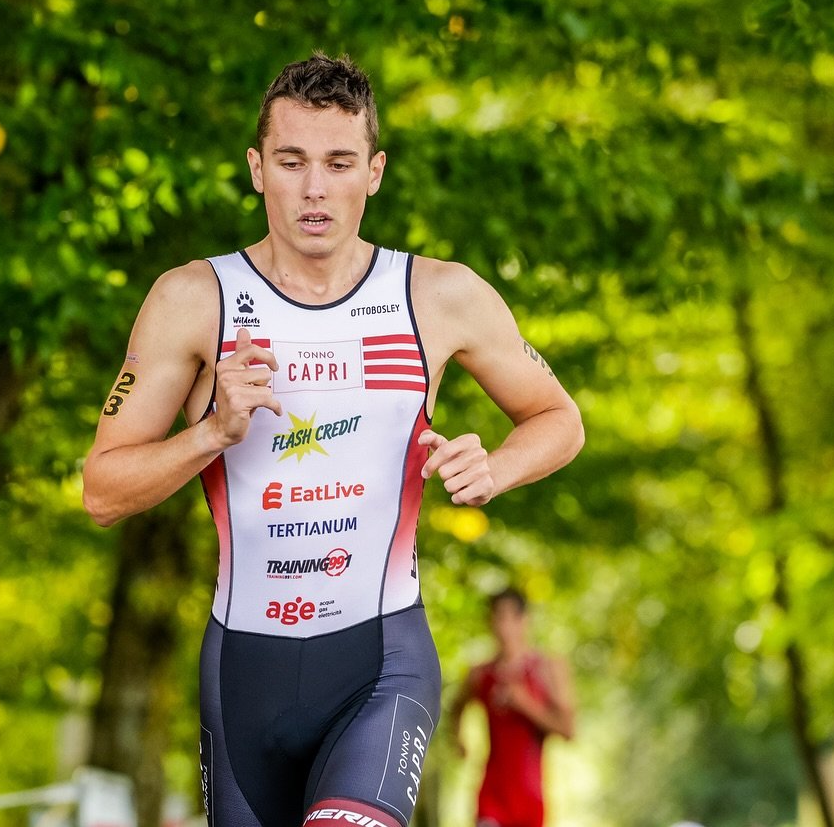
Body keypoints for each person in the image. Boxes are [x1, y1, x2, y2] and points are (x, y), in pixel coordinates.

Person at [82, 53, 584, 827]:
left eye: (339, 162)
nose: (315, 188)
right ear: (257, 168)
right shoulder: (194, 300)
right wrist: (211, 431)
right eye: (292, 161)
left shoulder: (438, 296)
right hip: (243, 673)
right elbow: (102, 490)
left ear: (374, 171)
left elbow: (560, 419)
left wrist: (497, 467)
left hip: (381, 664)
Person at [448, 589, 576, 827]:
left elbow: (568, 730)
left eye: (509, 617)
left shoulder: (547, 669)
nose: (502, 626)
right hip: (491, 794)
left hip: (530, 798)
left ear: (524, 621)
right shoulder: (480, 674)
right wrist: (458, 740)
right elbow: (455, 708)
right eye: (496, 617)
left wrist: (525, 703)